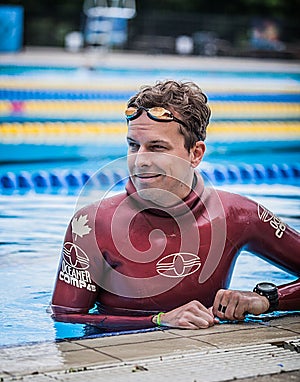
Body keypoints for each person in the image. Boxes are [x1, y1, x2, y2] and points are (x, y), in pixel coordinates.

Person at [51, 80, 300, 330]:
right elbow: (63, 318)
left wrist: (268, 299)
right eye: (133, 145)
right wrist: (158, 321)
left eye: (157, 147)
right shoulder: (92, 224)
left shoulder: (239, 215)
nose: (141, 161)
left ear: (196, 154)